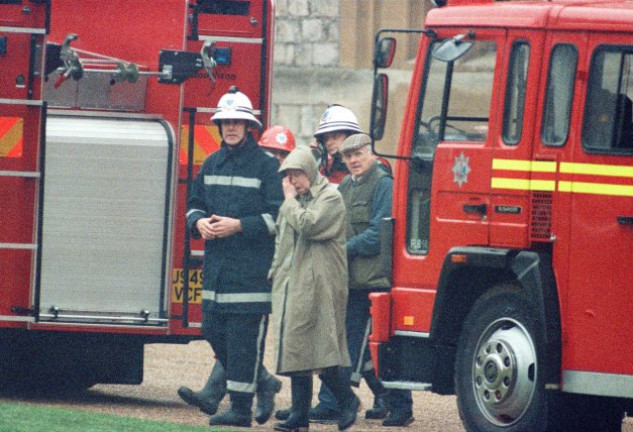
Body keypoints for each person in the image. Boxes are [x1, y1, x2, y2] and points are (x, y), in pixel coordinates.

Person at [182, 87, 283, 428]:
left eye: (237, 121)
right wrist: (198, 222)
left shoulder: (266, 167)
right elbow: (193, 203)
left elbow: (278, 218)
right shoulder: (211, 163)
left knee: (241, 343)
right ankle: (264, 381)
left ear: (249, 125)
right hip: (217, 274)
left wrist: (239, 225)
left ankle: (241, 409)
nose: (231, 127)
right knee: (212, 330)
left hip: (250, 274)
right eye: (225, 122)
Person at [269, 147, 360, 432]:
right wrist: (275, 272)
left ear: (309, 170)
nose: (293, 182)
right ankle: (300, 416)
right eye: (289, 176)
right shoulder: (298, 200)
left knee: (321, 349)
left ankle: (347, 400)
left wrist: (289, 201)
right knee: (298, 349)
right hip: (294, 285)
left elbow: (309, 226)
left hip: (322, 286)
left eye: (296, 175)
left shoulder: (330, 197)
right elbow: (283, 242)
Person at [335, 133, 414, 427]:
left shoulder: (383, 184)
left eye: (359, 153)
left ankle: (401, 407)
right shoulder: (345, 186)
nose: (354, 160)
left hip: (376, 283)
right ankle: (384, 399)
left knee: (383, 349)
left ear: (371, 153)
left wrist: (341, 251)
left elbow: (378, 236)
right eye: (348, 156)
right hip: (352, 283)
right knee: (356, 346)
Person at [311, 104, 363, 185]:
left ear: (351, 135)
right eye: (325, 139)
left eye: (335, 136)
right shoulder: (325, 171)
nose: (328, 143)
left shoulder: (370, 167)